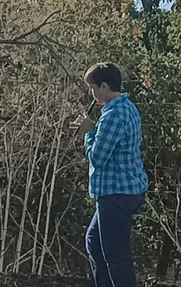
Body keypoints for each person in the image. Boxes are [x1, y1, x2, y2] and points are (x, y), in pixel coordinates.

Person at [70, 62, 149, 287]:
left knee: (116, 257)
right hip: (129, 189)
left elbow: (98, 157)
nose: (90, 92)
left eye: (92, 86)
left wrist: (88, 132)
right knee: (94, 242)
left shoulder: (112, 115)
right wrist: (95, 128)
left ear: (104, 86)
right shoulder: (128, 108)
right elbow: (114, 143)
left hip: (116, 194)